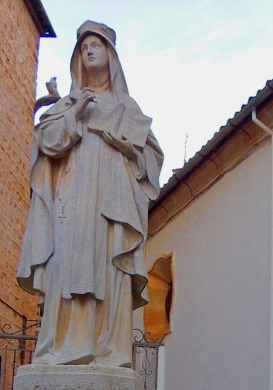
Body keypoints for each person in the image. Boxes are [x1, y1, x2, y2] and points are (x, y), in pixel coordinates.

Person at [17, 21, 163, 366]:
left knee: (110, 264)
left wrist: (127, 148)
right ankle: (62, 347)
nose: (89, 51)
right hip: (72, 194)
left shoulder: (128, 107)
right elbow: (47, 145)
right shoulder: (67, 104)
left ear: (111, 55)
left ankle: (109, 351)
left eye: (96, 45)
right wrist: (75, 117)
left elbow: (152, 158)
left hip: (113, 201)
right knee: (68, 264)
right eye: (83, 47)